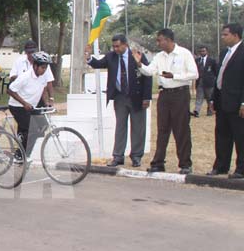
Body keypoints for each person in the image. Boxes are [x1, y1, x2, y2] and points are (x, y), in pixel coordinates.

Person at [132, 28, 199, 174]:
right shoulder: (159, 56)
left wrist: (174, 76)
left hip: (180, 93)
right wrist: (139, 64)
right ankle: (158, 162)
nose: (158, 43)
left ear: (168, 40)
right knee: (162, 129)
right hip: (164, 94)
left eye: (159, 40)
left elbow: (194, 74)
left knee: (181, 129)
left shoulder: (184, 53)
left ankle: (185, 164)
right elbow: (150, 71)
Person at [86, 34, 152, 168]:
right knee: (120, 127)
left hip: (137, 96)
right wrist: (88, 57)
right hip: (120, 97)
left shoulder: (137, 55)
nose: (115, 49)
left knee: (138, 128)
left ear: (125, 45)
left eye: (118, 46)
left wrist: (146, 97)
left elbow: (148, 76)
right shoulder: (111, 56)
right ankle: (118, 156)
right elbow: (98, 64)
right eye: (114, 46)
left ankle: (136, 156)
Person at [208, 24, 244, 179]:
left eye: (225, 35)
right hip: (222, 100)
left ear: (235, 35)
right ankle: (221, 166)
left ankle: (241, 169)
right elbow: (219, 77)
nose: (222, 37)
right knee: (222, 135)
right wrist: (213, 98)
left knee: (240, 136)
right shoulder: (224, 53)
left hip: (237, 102)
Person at [7, 52, 53, 161]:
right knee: (32, 129)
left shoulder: (42, 76)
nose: (44, 70)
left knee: (43, 125)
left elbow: (43, 89)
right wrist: (24, 103)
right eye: (42, 67)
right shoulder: (25, 76)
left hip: (31, 106)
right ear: (35, 66)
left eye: (46, 68)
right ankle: (20, 155)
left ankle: (23, 141)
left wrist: (47, 102)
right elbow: (10, 90)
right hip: (18, 106)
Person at [9, 40, 55, 106]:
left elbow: (49, 81)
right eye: (29, 52)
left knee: (41, 111)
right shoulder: (19, 61)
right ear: (25, 52)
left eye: (33, 52)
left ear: (36, 51)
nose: (31, 54)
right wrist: (25, 79)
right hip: (22, 98)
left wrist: (51, 98)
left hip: (38, 97)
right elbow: (12, 77)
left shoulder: (43, 63)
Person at [194, 45, 218, 117]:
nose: (202, 52)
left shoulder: (212, 61)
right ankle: (196, 111)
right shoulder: (197, 61)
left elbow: (216, 71)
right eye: (200, 51)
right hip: (199, 82)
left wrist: (213, 79)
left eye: (203, 51)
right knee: (199, 97)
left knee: (209, 98)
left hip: (209, 82)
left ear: (207, 51)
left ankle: (210, 111)